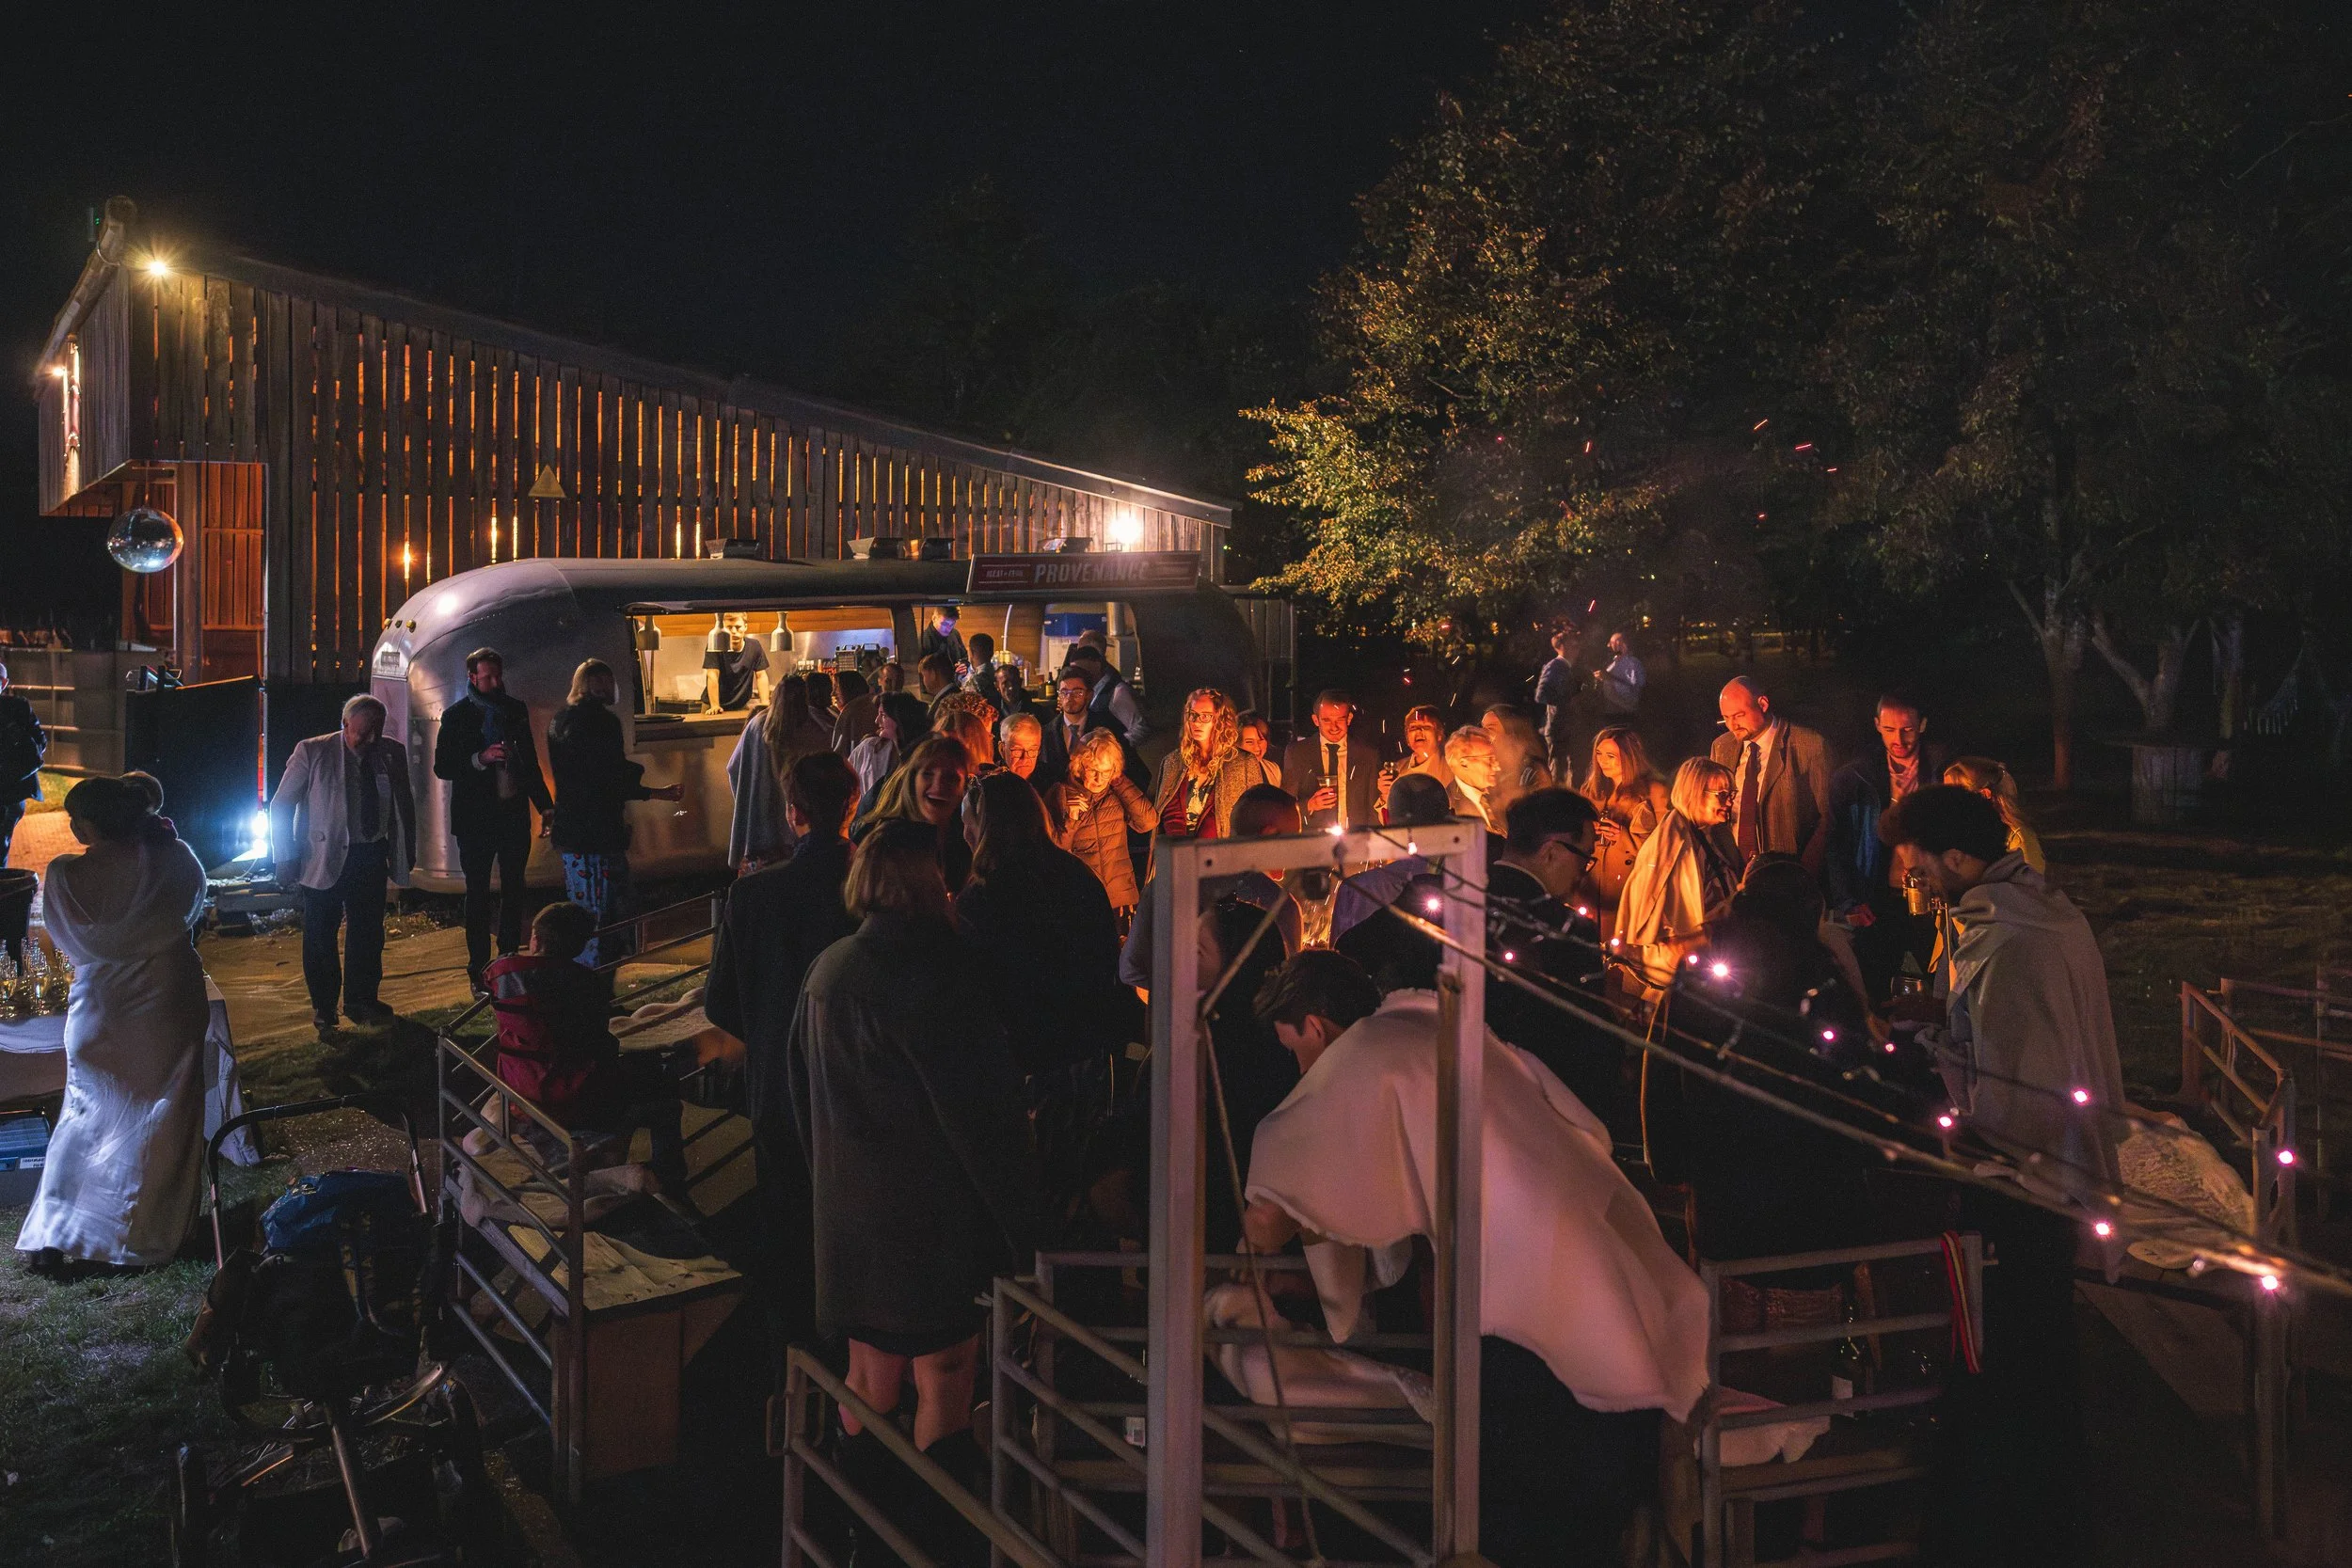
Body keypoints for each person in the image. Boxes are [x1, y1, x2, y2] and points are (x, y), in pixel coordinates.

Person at [1243, 950, 1708, 1568]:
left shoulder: (1363, 1054)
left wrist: (1243, 1217)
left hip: (1519, 1313)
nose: (1301, 1070)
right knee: (1589, 1495)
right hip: (1592, 1260)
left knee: (1524, 1510)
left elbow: (1271, 1216)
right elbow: (1583, 1123)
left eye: (1296, 1050)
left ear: (1318, 1025)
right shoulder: (1446, 1033)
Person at [1878, 784, 2124, 1565]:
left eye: (1918, 859)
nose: (1910, 873)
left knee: (2015, 1355)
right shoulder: (2023, 911)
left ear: (1958, 857)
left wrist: (1956, 1104)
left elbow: (2021, 1084)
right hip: (2037, 1176)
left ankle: (2016, 1525)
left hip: (2027, 1182)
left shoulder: (2014, 938)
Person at [786, 819, 1036, 1518]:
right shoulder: (939, 978)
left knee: (867, 1377)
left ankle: (856, 1523)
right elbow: (982, 1123)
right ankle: (932, 1530)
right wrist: (1024, 1233)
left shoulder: (829, 969)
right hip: (931, 1228)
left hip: (850, 1219)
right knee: (946, 1378)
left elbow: (799, 1096)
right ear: (934, 883)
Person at [16, 777, 211, 1273]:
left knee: (86, 1116)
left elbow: (69, 947)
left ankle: (64, 1231)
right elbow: (192, 911)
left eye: (75, 818)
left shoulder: (62, 875)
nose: (72, 827)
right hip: (168, 999)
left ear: (92, 823)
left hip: (102, 1005)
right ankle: (148, 1233)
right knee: (161, 1119)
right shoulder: (177, 857)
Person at [704, 750, 861, 1347]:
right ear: (851, 808)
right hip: (857, 1086)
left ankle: (792, 1358)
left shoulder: (754, 898)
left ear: (792, 812)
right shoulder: (868, 887)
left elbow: (722, 1006)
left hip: (779, 1088)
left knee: (788, 1228)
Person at [484, 901, 684, 1185]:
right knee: (665, 1099)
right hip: (577, 1101)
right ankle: (669, 1183)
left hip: (521, 1094)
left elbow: (495, 972)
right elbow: (600, 1046)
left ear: (535, 939)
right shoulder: (587, 985)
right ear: (579, 948)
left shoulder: (506, 979)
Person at [271, 694, 417, 1035]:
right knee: (321, 936)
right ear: (345, 724)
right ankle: (324, 1007)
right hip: (322, 858)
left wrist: (406, 848)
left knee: (368, 933)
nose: (369, 741)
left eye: (376, 732)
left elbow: (405, 804)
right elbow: (281, 806)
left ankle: (362, 999)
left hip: (370, 854)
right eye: (362, 733)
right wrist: (285, 855)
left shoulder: (391, 753)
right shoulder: (313, 751)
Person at [548, 659, 684, 965]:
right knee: (606, 919)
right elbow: (609, 778)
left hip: (572, 835)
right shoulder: (603, 723)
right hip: (599, 835)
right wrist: (651, 790)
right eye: (608, 683)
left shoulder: (559, 720)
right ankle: (596, 991)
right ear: (600, 686)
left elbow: (588, 777)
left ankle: (585, 984)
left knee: (584, 916)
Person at [435, 647, 554, 990]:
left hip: (512, 813)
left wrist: (544, 805)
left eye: (498, 675)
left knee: (515, 889)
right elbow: (442, 766)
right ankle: (479, 969)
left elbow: (530, 762)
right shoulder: (457, 716)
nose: (496, 682)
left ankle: (507, 959)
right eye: (488, 677)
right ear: (472, 677)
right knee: (478, 894)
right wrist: (480, 758)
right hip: (475, 819)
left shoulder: (514, 710)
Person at [1120, 784, 1303, 990]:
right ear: (1269, 835)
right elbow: (1287, 988)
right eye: (1294, 838)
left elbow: (1131, 969)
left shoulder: (1167, 884)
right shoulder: (1279, 904)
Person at [1827, 693, 1940, 999]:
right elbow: (1837, 845)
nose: (1898, 739)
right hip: (1875, 897)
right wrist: (1848, 900)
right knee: (1873, 984)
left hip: (1932, 899)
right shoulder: (1854, 778)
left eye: (1907, 729)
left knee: (1939, 982)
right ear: (1877, 725)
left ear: (1923, 725)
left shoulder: (1942, 774)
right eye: (1889, 729)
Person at [1614, 757, 1738, 998]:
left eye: (1731, 792)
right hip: (1675, 965)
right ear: (1694, 793)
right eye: (1721, 794)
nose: (1730, 800)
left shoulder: (1702, 834)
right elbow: (1666, 915)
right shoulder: (1674, 844)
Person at [1708, 675, 1833, 875]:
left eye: (1739, 715)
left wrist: (1805, 870)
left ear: (1763, 704)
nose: (1732, 725)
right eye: (1726, 717)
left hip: (1788, 872)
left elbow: (1827, 817)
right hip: (1735, 874)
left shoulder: (1808, 746)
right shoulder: (1722, 747)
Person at [1050, 730, 1158, 923]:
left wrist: (1118, 780)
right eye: (1093, 770)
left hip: (1123, 899)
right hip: (1083, 899)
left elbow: (1148, 822)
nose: (1099, 779)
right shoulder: (1062, 793)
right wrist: (1072, 818)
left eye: (1106, 772)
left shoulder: (1115, 792)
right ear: (1079, 765)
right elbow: (1057, 852)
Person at [1578, 726, 1673, 931]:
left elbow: (1666, 844)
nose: (1602, 761)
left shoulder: (1653, 792)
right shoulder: (1591, 791)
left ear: (1630, 757)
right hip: (1592, 888)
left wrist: (1624, 838)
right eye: (1599, 754)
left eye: (1611, 756)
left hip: (1631, 886)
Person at [1154, 688, 1278, 842]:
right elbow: (1169, 812)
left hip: (1222, 854)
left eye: (1205, 716)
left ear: (1219, 719)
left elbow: (1255, 816)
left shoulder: (1243, 763)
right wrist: (1181, 849)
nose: (1197, 722)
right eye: (1192, 715)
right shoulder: (1173, 761)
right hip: (1177, 854)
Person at [855, 736, 976, 891]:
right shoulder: (884, 841)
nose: (938, 785)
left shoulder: (968, 841)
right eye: (927, 774)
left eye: (951, 777)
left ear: (963, 788)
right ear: (912, 780)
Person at [1281, 689, 1378, 833]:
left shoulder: (1367, 755)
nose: (1334, 727)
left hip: (1357, 841)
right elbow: (1284, 806)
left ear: (1349, 719)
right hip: (1313, 842)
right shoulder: (1297, 753)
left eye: (1340, 720)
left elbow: (1372, 806)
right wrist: (1309, 805)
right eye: (1327, 720)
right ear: (1316, 720)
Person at [1943, 755, 2045, 872]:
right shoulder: (1970, 832)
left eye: (1954, 795)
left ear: (1984, 795)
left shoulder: (2018, 840)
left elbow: (2031, 884)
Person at [1066, 644, 1149, 778]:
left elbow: (1141, 728)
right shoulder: (1091, 692)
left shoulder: (1118, 692)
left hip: (1117, 771)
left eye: (1081, 669)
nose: (1078, 674)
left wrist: (1113, 745)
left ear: (1097, 664)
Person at [0, 661, 47, 865]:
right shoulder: (17, 707)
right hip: (13, 789)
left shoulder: (16, 707)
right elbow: (40, 743)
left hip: (10, 792)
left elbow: (38, 744)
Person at [850, 690, 931, 801]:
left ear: (900, 718)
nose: (876, 720)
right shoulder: (869, 748)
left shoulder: (924, 753)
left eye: (883, 715)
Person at [1480, 704, 1549, 823]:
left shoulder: (1532, 771)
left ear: (1511, 733)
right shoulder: (1486, 772)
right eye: (1482, 728)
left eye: (1490, 729)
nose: (1482, 734)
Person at [1533, 624, 1582, 779]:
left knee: (1570, 769)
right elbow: (1541, 695)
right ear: (1561, 647)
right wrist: (1569, 698)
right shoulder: (1555, 666)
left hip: (1567, 727)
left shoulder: (1566, 667)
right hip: (1558, 729)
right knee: (1558, 772)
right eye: (1572, 645)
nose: (1576, 648)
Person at [1038, 669, 1094, 787]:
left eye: (1077, 692)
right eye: (1064, 692)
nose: (1069, 698)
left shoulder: (1106, 726)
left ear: (1089, 695)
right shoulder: (1046, 733)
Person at [1441, 724, 1503, 831]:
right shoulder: (1447, 807)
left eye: (1496, 757)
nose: (1497, 766)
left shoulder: (1505, 789)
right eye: (1489, 759)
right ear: (1464, 763)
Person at [1591, 629, 1646, 716]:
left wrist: (1610, 679)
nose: (1614, 645)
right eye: (1612, 643)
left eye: (1618, 642)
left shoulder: (1633, 663)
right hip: (1609, 710)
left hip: (1625, 712)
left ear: (1626, 643)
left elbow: (1635, 692)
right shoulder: (1612, 662)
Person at [830, 669, 878, 755]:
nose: (832, 694)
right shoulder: (872, 705)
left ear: (849, 688)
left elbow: (841, 754)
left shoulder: (852, 713)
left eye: (836, 687)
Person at [962, 631, 1007, 715]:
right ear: (992, 652)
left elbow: (967, 711)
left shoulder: (975, 682)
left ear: (971, 652)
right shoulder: (1000, 677)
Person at [916, 605, 969, 671]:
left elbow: (964, 656)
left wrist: (963, 665)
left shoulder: (955, 633)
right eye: (944, 624)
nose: (948, 629)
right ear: (934, 618)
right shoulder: (922, 640)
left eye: (952, 624)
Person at [998, 711, 1044, 784]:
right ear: (1002, 749)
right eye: (1018, 750)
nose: (1025, 758)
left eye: (1032, 750)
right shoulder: (991, 782)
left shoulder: (1051, 781)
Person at [1235, 710, 1279, 785]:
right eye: (1250, 742)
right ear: (1236, 744)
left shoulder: (1273, 769)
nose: (1257, 748)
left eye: (1261, 741)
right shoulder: (1228, 772)